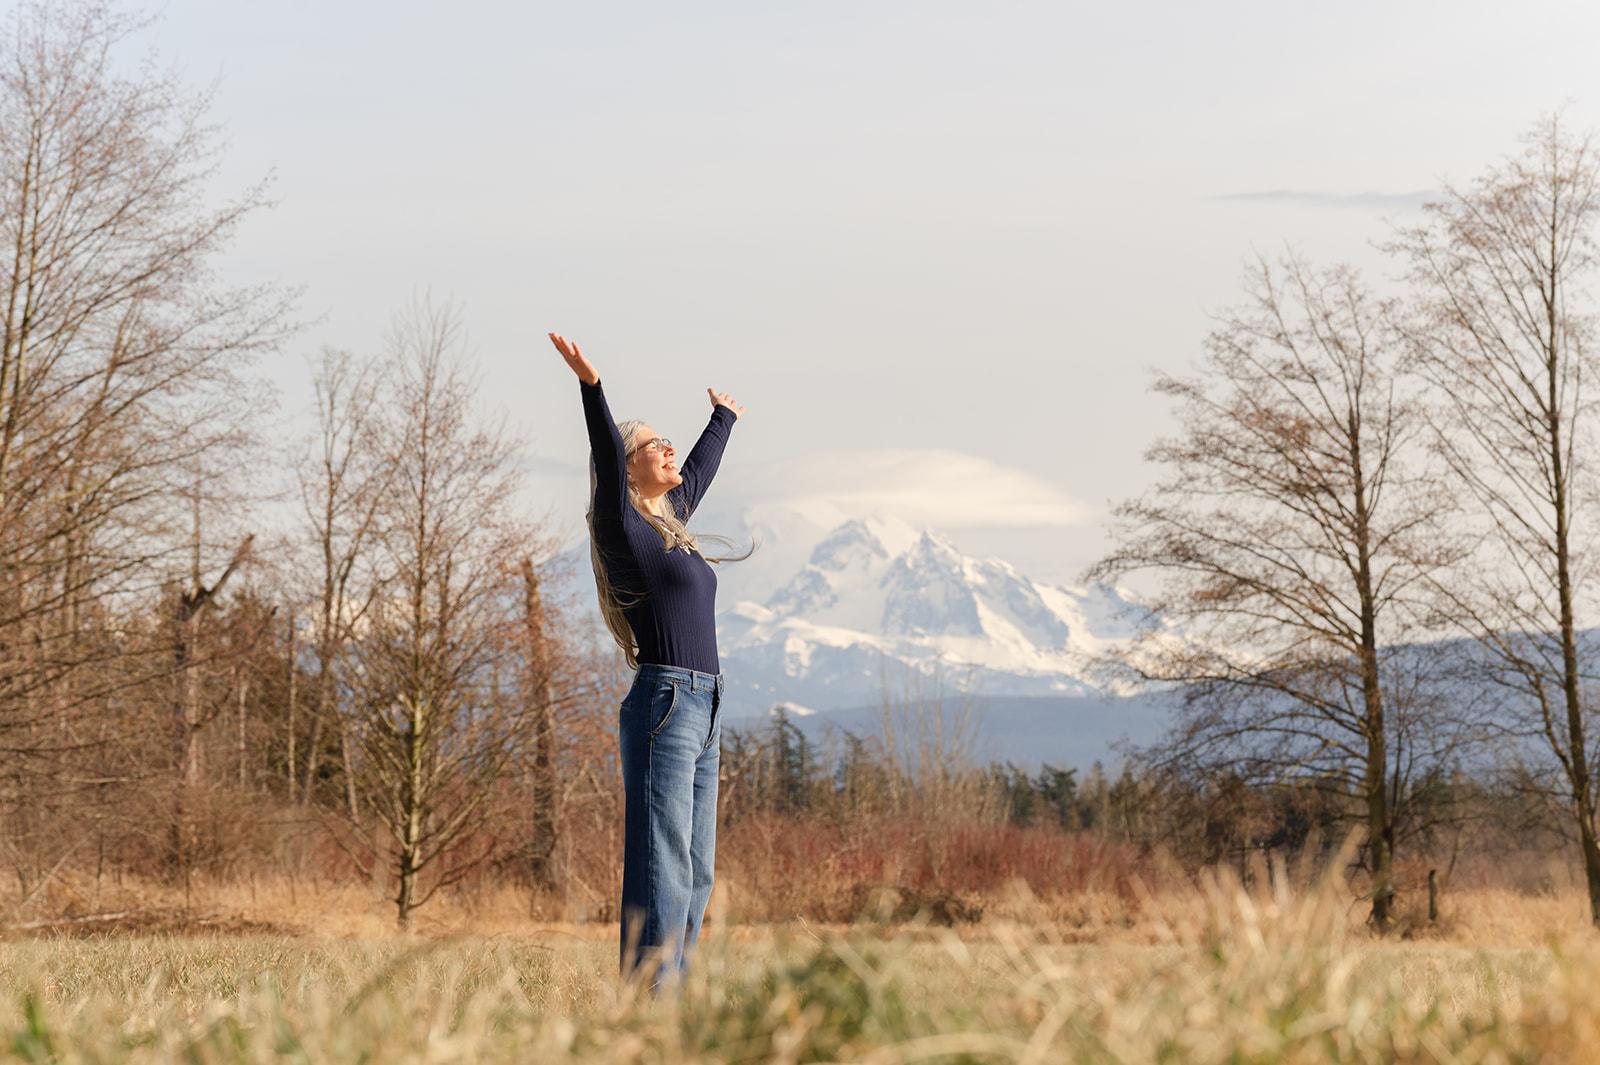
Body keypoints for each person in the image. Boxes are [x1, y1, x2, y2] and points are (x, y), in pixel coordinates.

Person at [548, 331, 749, 993]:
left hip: (707, 704)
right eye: (653, 444)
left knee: (695, 869)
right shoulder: (626, 527)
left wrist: (722, 418)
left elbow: (696, 469)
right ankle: (649, 1003)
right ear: (629, 466)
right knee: (663, 864)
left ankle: (673, 999)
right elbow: (607, 455)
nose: (669, 451)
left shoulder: (670, 521)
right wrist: (591, 386)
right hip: (667, 703)